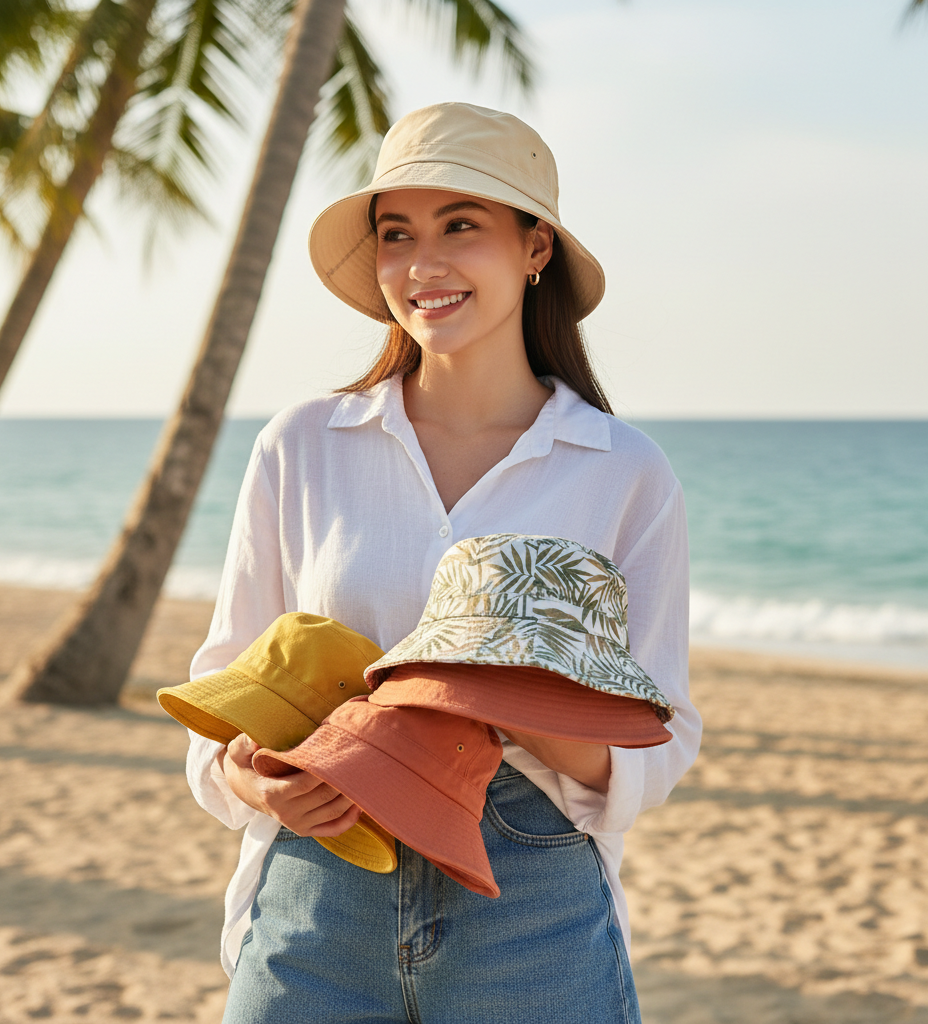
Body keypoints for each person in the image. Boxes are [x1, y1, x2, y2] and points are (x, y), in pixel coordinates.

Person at [185, 102, 702, 1023]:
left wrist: (505, 702)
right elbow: (222, 688)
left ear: (534, 247)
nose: (423, 264)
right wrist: (246, 776)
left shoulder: (623, 472)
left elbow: (663, 740)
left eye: (462, 224)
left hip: (527, 896)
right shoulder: (304, 446)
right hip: (321, 883)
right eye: (397, 234)